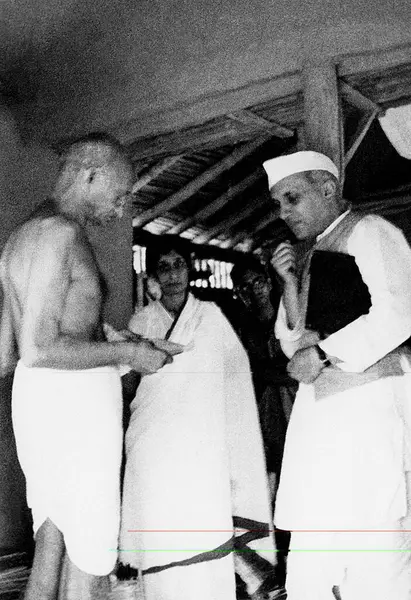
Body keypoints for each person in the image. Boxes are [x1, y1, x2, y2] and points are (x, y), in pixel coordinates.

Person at [0, 132, 182, 600]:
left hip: (44, 401)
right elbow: (39, 348)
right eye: (120, 194)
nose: (122, 209)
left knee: (54, 537)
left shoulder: (22, 236)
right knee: (92, 548)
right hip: (70, 411)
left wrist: (104, 339)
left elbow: (9, 353)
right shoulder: (58, 233)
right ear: (90, 175)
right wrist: (128, 355)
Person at [265, 150, 411, 600]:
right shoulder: (309, 256)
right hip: (321, 418)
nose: (284, 213)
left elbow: (400, 313)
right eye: (278, 204)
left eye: (292, 198)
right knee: (315, 550)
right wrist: (289, 286)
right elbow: (294, 345)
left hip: (368, 411)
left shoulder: (370, 231)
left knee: (375, 546)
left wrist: (325, 353)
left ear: (327, 189)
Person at [118, 236, 277, 600]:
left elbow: (234, 381)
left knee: (201, 526)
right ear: (152, 273)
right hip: (153, 444)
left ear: (189, 269)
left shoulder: (211, 318)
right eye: (164, 266)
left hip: (201, 447)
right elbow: (129, 385)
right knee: (160, 528)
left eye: (178, 265)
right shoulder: (141, 320)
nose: (172, 273)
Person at [231, 258, 296, 493]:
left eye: (258, 281)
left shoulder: (289, 311)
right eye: (245, 286)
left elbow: (296, 368)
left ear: (269, 283)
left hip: (295, 402)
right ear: (239, 293)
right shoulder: (241, 327)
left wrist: (263, 372)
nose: (254, 289)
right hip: (263, 410)